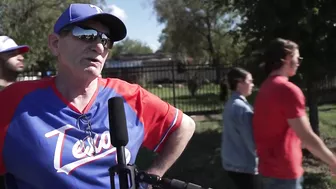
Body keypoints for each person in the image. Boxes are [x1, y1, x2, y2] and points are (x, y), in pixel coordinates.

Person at [0, 3, 196, 189]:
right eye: (86, 34)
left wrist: (153, 175)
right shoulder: (14, 102)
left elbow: (184, 126)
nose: (99, 47)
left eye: (105, 40)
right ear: (55, 44)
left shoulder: (129, 97)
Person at [253, 38, 336, 189]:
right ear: (287, 58)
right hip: (284, 175)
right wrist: (333, 161)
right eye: (298, 58)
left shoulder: (264, 89)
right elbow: (307, 137)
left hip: (266, 170)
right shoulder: (288, 90)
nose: (299, 63)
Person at [221, 67, 260, 189]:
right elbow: (251, 141)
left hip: (232, 163)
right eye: (250, 81)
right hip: (244, 165)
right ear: (239, 83)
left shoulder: (231, 103)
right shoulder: (241, 108)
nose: (253, 85)